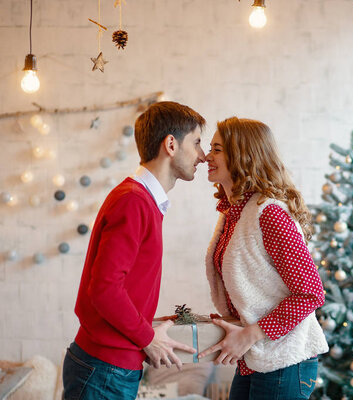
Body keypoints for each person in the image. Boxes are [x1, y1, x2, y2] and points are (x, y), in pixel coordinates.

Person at [63, 101, 207, 400]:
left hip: (110, 368)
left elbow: (124, 287)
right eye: (196, 143)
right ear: (171, 144)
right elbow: (104, 289)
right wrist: (148, 338)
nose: (202, 155)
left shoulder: (143, 200)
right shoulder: (134, 201)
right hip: (104, 370)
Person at [199, 117, 329, 400]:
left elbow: (310, 294)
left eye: (217, 149)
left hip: (284, 361)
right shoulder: (232, 213)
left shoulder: (268, 214)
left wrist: (248, 335)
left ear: (242, 154)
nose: (207, 156)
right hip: (257, 358)